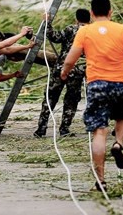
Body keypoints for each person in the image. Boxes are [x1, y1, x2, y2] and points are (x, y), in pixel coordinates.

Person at [60, 0, 123, 192]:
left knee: (99, 131)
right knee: (122, 118)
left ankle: (101, 181)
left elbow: (71, 59)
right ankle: (118, 144)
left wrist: (64, 72)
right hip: (120, 83)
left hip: (97, 84)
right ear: (110, 12)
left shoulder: (85, 31)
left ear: (91, 13)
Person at [34, 8, 90, 138]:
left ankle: (41, 128)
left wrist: (47, 23)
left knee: (50, 97)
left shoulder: (71, 29)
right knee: (71, 100)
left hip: (61, 68)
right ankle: (64, 129)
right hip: (78, 70)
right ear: (89, 19)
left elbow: (55, 37)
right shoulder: (92, 32)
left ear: (76, 19)